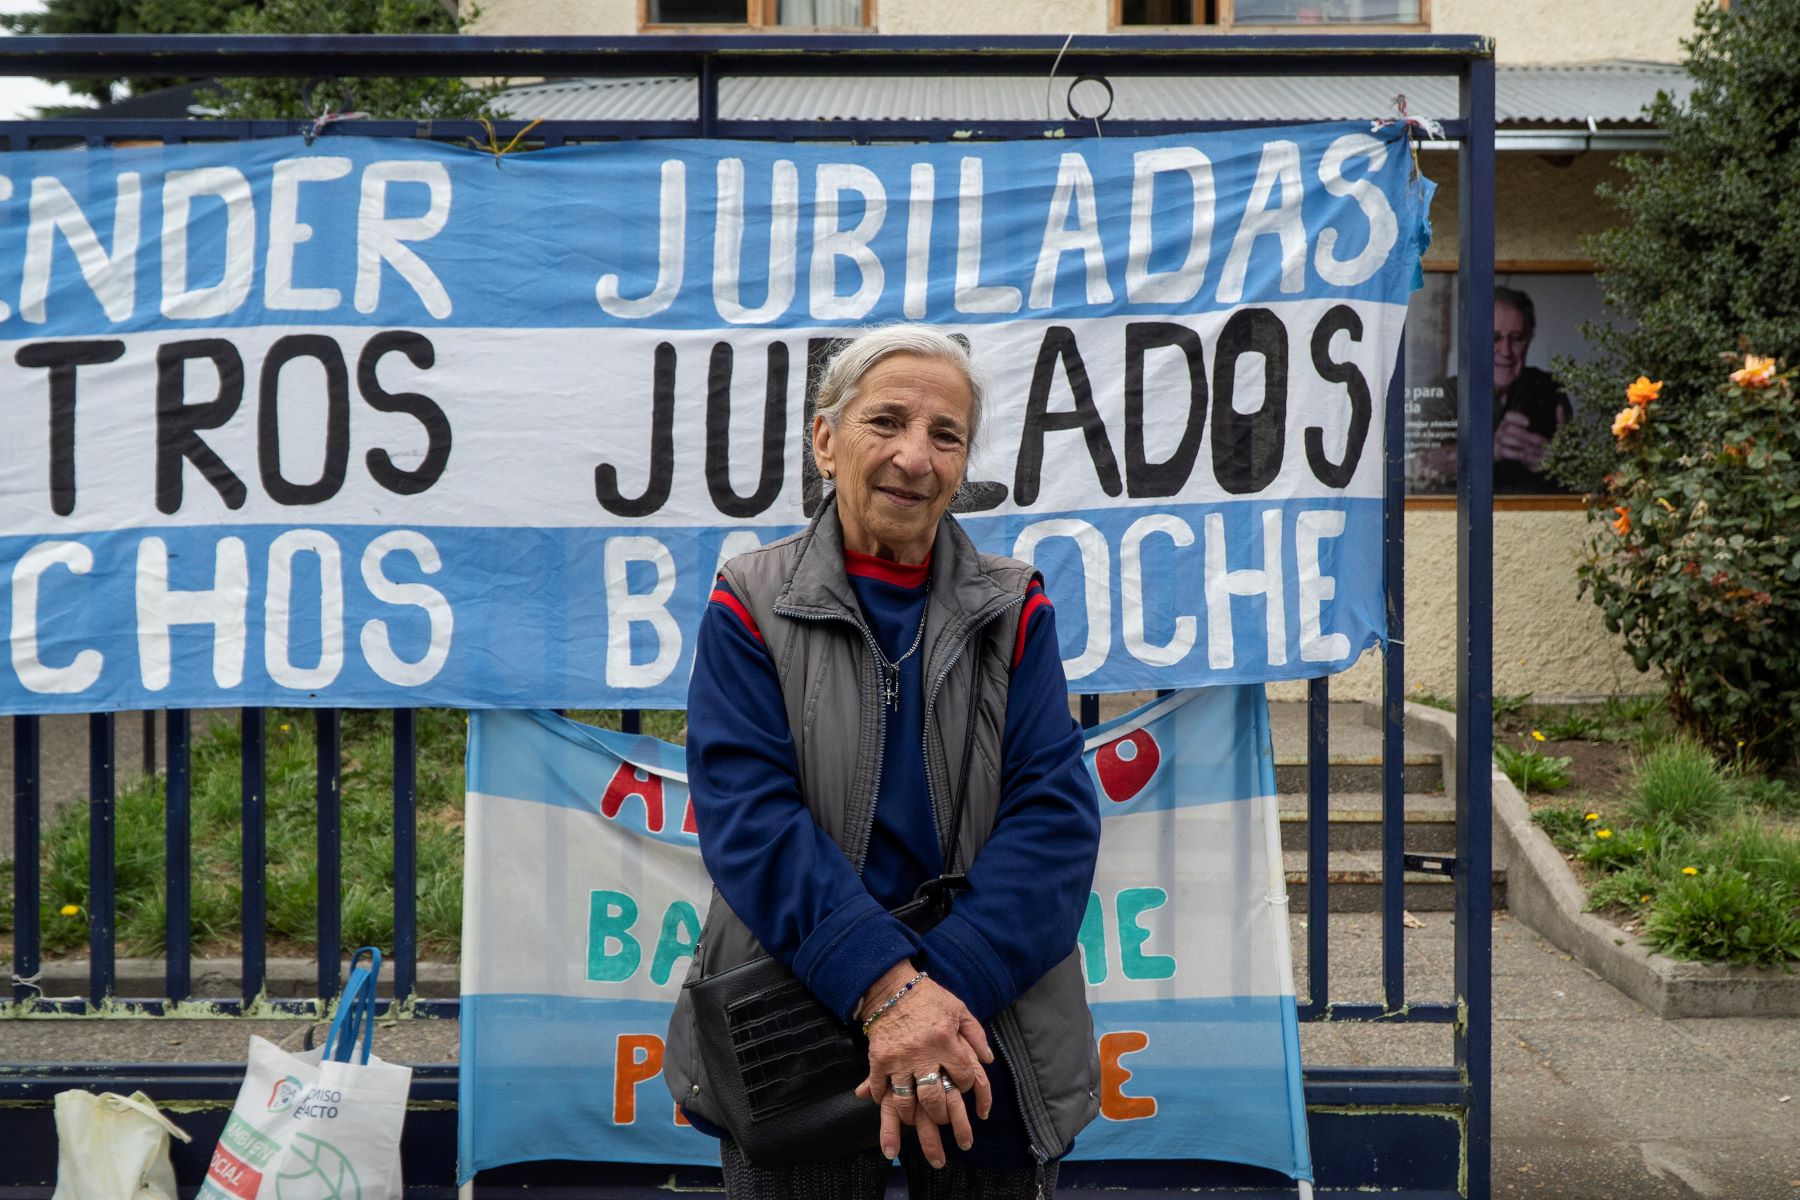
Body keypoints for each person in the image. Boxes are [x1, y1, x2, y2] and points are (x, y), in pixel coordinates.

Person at [666, 324, 1102, 1200]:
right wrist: (885, 993)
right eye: (887, 422)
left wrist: (934, 1008)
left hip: (984, 1033)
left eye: (946, 435)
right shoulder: (750, 602)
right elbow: (752, 821)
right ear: (825, 441)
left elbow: (1053, 821)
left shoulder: (1015, 608)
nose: (915, 457)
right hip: (797, 1026)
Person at [1408, 286, 1574, 493]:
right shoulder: (1444, 394)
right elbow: (1419, 468)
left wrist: (1557, 462)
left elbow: (1578, 474)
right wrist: (1488, 449)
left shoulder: (1548, 389)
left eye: (1516, 338)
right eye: (1494, 338)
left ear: (1529, 340)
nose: (1506, 351)